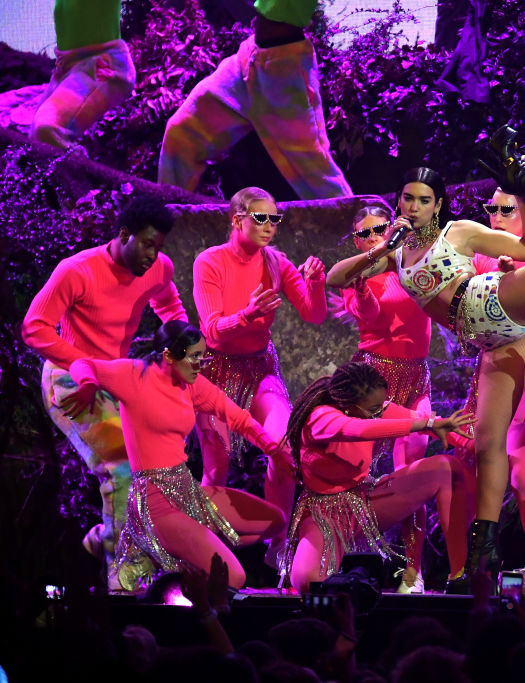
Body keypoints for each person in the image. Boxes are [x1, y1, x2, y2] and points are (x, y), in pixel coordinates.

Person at [325, 130, 525, 579]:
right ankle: (485, 549)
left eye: (423, 200)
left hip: (492, 302)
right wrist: (382, 247)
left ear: (438, 205)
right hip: (491, 342)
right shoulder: (394, 257)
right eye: (407, 199)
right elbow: (334, 279)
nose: (413, 207)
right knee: (489, 442)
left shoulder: (460, 232)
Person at [22, 196, 187, 590]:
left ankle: (103, 538)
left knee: (158, 464)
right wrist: (82, 365)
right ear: (125, 235)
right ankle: (124, 582)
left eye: (159, 246)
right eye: (147, 244)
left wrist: (183, 340)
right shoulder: (77, 271)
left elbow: (169, 304)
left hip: (115, 379)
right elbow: (34, 327)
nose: (153, 255)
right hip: (69, 381)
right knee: (122, 464)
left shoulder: (158, 268)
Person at [65, 321, 288, 590]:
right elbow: (82, 364)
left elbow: (238, 418)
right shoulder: (134, 375)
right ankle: (154, 543)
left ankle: (171, 551)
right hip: (156, 504)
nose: (201, 363)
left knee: (275, 521)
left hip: (188, 493)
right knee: (234, 577)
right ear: (169, 355)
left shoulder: (191, 385)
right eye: (194, 356)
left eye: (202, 355)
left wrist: (274, 449)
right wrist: (89, 384)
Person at [192, 186, 327, 571]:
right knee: (216, 468)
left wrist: (314, 282)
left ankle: (278, 543)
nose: (270, 227)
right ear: (237, 220)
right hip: (216, 373)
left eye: (274, 219)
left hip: (260, 369)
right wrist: (248, 315)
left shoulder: (276, 262)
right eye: (261, 218)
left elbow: (314, 314)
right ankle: (202, 549)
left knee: (283, 446)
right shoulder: (210, 262)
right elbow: (213, 331)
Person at [280, 362, 473, 593]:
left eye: (381, 406)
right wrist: (424, 423)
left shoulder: (371, 408)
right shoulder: (321, 417)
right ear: (349, 405)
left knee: (445, 469)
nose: (380, 412)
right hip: (324, 515)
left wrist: (471, 443)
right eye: (374, 409)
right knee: (308, 583)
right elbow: (358, 429)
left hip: (365, 501)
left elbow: (425, 421)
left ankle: (459, 577)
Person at [329, 204, 434, 594]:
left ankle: (413, 571)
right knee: (351, 471)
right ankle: (330, 555)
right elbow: (370, 316)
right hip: (376, 379)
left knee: (415, 474)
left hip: (417, 377)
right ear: (356, 239)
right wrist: (361, 281)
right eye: (364, 233)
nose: (373, 238)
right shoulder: (362, 270)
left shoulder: (413, 261)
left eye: (379, 230)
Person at [458, 188, 525, 591]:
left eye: (506, 209)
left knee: (524, 475)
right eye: (491, 209)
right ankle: (473, 570)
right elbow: (467, 306)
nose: (496, 216)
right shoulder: (481, 252)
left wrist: (514, 277)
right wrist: (495, 275)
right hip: (487, 375)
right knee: (477, 474)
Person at [157, 0, 352, 199]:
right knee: (181, 133)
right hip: (247, 59)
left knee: (316, 172)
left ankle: (364, 224)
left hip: (283, 72)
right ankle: (167, 216)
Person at [31, 0, 136, 149]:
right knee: (33, 145)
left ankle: (81, 171)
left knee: (48, 129)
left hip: (101, 67)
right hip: (66, 69)